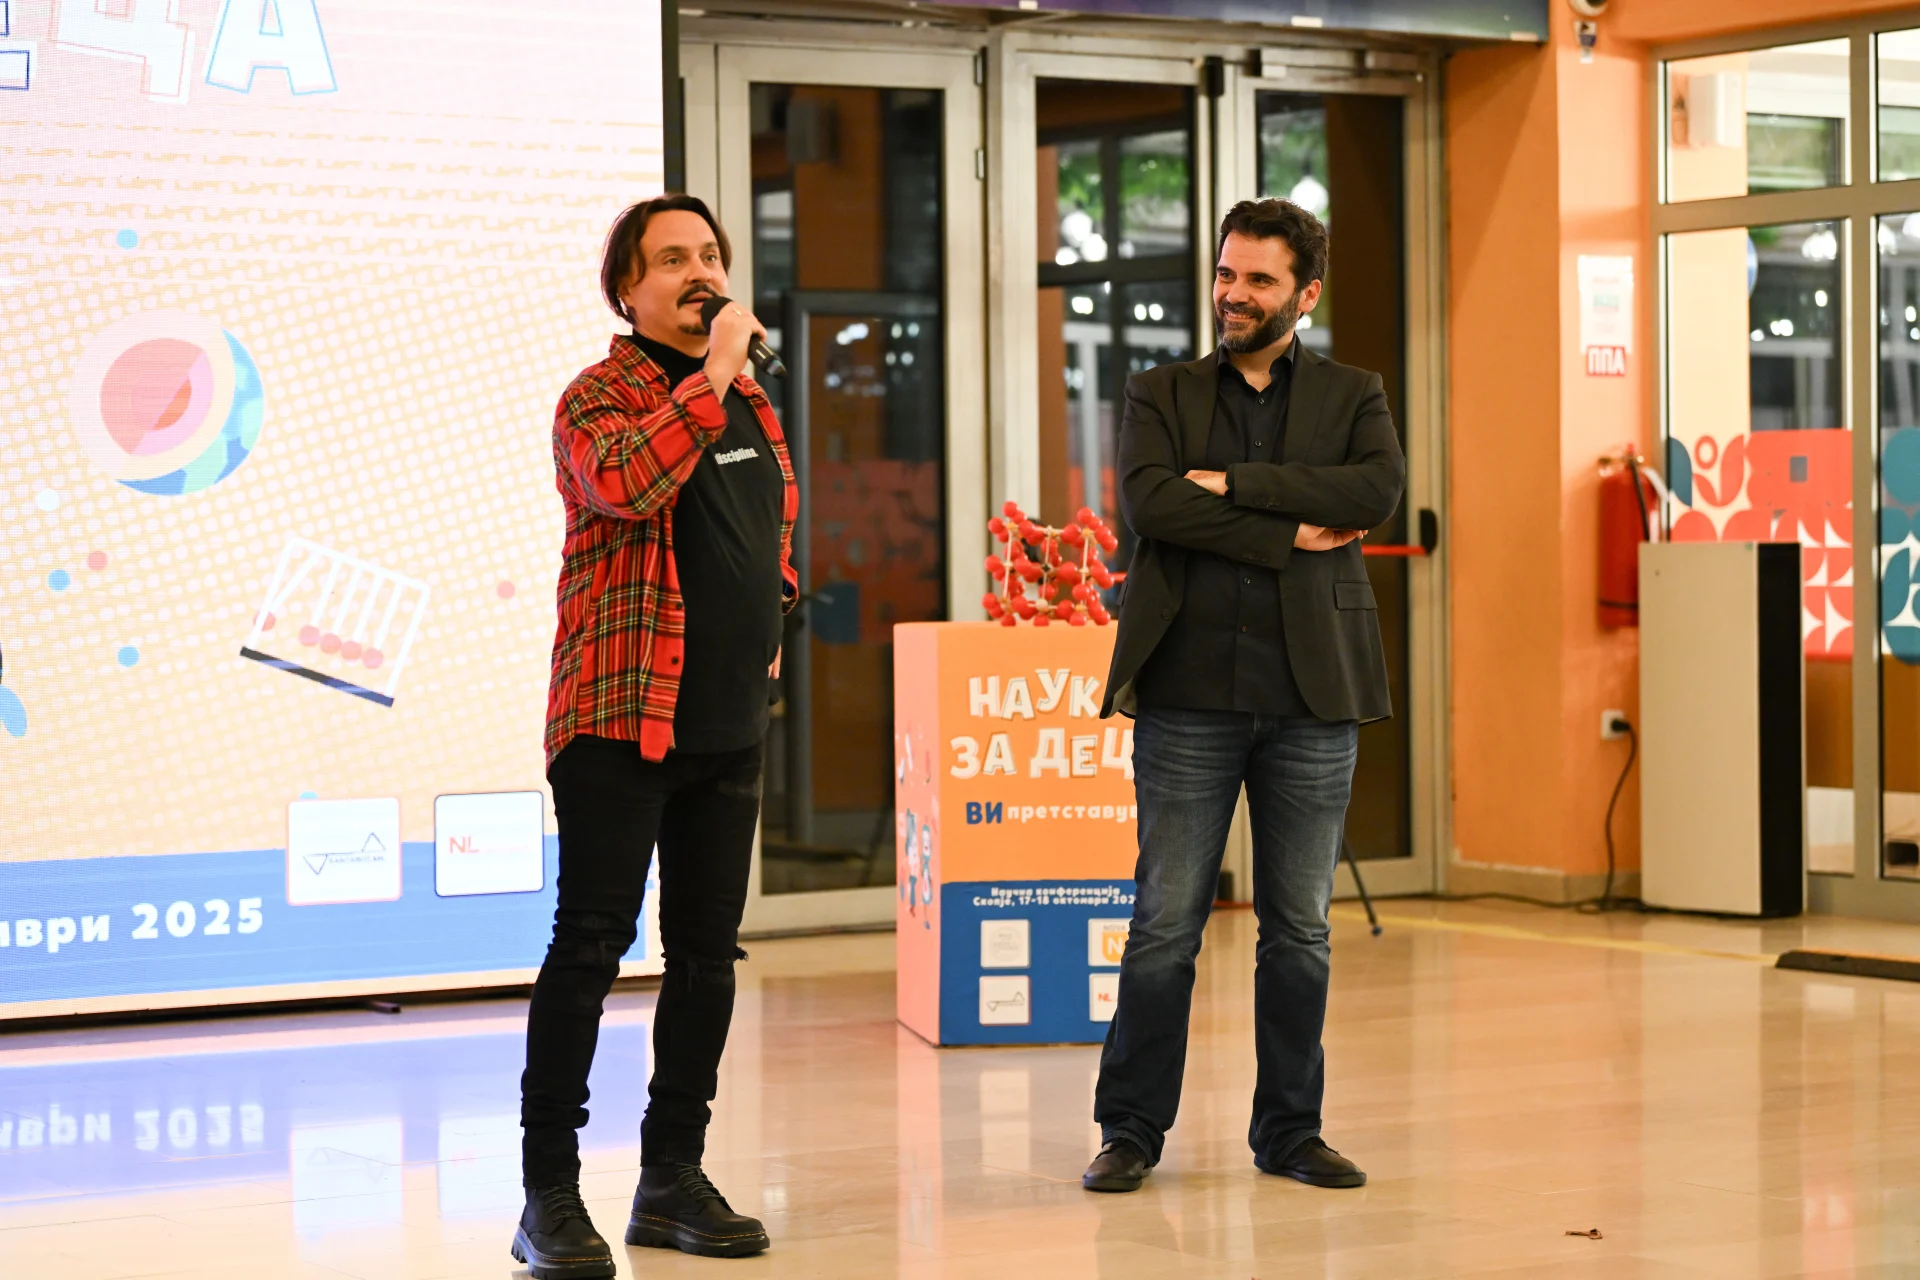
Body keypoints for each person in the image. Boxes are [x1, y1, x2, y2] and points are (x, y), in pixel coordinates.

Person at [1082, 198, 1406, 1194]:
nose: (1233, 293)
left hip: (1314, 696)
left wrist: (1236, 485)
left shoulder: (1354, 393)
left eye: (1259, 280)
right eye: (1226, 273)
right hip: (1188, 692)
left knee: (1299, 929)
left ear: (1305, 295)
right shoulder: (1161, 392)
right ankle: (1131, 1129)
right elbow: (1152, 502)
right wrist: (1287, 525)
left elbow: (1373, 492)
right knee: (1164, 925)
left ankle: (1290, 1131)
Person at [513, 194, 795, 1277]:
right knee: (590, 947)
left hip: (727, 724)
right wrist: (711, 376)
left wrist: (771, 618)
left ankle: (672, 1175)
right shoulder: (597, 398)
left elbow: (770, 530)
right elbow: (627, 483)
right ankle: (548, 1193)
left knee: (707, 958)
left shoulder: (753, 402)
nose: (700, 272)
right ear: (626, 291)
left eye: (711, 254)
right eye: (672, 259)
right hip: (618, 717)